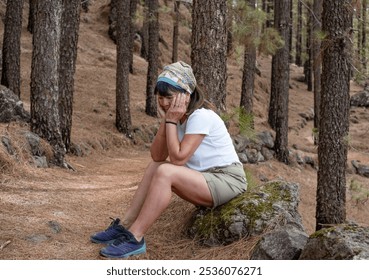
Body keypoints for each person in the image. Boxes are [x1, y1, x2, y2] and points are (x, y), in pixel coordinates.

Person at [90, 61, 247, 258]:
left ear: (185, 96)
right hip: (204, 179)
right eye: (161, 96)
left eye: (169, 97)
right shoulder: (177, 118)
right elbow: (157, 156)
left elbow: (178, 159)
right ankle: (125, 224)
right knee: (157, 166)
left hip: (227, 180)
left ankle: (135, 237)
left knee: (166, 171)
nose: (164, 103)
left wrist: (171, 120)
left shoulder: (201, 116)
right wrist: (168, 121)